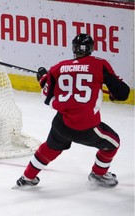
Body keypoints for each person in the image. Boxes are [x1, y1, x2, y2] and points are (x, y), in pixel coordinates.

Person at [16, 33, 130, 188]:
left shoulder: (58, 68)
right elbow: (123, 93)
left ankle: (27, 177)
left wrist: (43, 78)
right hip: (87, 127)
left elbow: (47, 98)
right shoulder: (99, 64)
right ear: (91, 48)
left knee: (51, 147)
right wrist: (114, 95)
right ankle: (98, 174)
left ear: (73, 48)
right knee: (113, 143)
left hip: (62, 124)